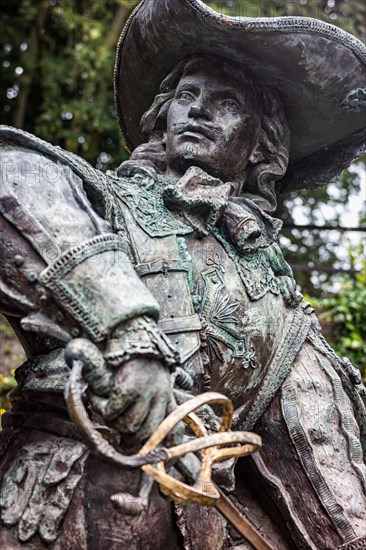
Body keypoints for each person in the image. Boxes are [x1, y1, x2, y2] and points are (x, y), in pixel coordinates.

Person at [0, 0, 365, 548]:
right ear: (163, 117)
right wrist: (125, 331)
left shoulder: (281, 303)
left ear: (262, 143)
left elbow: (324, 472)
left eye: (225, 103)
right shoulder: (104, 203)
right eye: (186, 97)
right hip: (61, 509)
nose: (197, 112)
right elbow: (14, 176)